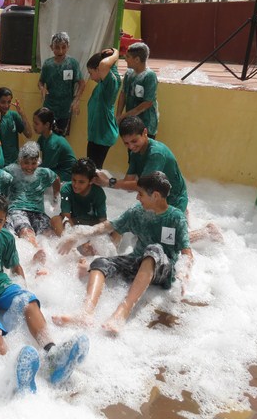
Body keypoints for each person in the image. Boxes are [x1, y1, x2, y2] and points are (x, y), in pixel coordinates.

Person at [0, 193, 89, 393]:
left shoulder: (5, 238)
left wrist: (24, 288)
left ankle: (53, 355)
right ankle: (10, 367)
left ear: (5, 221)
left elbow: (15, 268)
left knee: (28, 301)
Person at [53, 172, 193, 333]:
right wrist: (77, 235)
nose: (137, 198)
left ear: (155, 195)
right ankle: (86, 312)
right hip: (138, 262)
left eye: (140, 194)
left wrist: (184, 274)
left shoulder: (176, 217)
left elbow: (187, 253)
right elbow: (108, 226)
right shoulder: (137, 212)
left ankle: (122, 312)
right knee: (100, 262)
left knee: (154, 249)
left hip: (163, 270)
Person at [95, 116, 222, 243]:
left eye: (134, 141)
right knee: (132, 228)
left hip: (173, 198)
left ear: (145, 132)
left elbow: (141, 186)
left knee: (166, 242)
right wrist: (108, 180)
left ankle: (207, 232)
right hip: (155, 197)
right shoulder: (135, 152)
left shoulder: (155, 154)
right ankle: (183, 218)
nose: (131, 146)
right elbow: (128, 183)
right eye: (126, 143)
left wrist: (109, 182)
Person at [5, 142, 60, 266]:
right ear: (20, 161)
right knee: (25, 230)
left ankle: (53, 261)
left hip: (38, 211)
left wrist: (56, 194)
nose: (30, 167)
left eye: (33, 163)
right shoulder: (11, 171)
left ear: (38, 162)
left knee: (49, 234)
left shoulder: (44, 173)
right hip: (17, 209)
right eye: (26, 163)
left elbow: (56, 178)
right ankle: (37, 252)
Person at [37, 32, 85, 135]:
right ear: (51, 47)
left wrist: (76, 100)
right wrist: (42, 88)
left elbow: (81, 83)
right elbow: (40, 81)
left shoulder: (73, 63)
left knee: (60, 137)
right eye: (57, 47)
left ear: (68, 47)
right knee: (47, 135)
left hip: (65, 109)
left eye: (63, 47)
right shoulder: (47, 64)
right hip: (49, 107)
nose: (60, 51)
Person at [51, 157, 106, 237]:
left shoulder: (98, 192)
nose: (76, 185)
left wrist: (90, 237)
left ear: (91, 181)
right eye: (74, 180)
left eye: (81, 182)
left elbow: (102, 220)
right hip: (73, 222)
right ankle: (69, 246)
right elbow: (66, 217)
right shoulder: (66, 189)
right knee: (55, 220)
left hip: (91, 225)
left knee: (116, 228)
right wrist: (76, 238)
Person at [86, 47, 121, 169]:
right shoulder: (105, 81)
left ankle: (95, 187)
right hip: (97, 135)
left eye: (91, 73)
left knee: (93, 170)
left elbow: (104, 65)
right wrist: (110, 52)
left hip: (102, 135)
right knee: (91, 168)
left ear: (98, 69)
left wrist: (116, 53)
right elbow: (107, 65)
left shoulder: (110, 84)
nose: (90, 77)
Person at [115, 42, 158, 139]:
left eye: (128, 57)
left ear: (137, 59)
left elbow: (148, 103)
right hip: (132, 124)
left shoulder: (149, 76)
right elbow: (123, 94)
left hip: (146, 125)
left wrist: (125, 116)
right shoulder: (129, 74)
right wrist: (118, 115)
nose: (125, 59)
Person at [0, 87, 32, 165]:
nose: (6, 105)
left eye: (9, 102)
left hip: (15, 162)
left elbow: (29, 134)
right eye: (3, 102)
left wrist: (21, 113)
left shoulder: (13, 115)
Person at [33, 107, 76, 183]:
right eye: (34, 122)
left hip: (67, 175)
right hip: (57, 169)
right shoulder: (42, 138)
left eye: (36, 123)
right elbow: (33, 155)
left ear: (46, 125)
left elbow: (45, 168)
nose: (34, 125)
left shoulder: (53, 143)